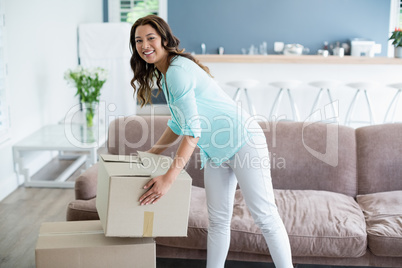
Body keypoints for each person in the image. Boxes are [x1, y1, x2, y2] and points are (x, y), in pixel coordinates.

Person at [129, 15, 293, 268]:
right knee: (217, 221)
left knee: (265, 216)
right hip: (216, 152)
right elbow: (178, 123)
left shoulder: (177, 72)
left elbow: (192, 132)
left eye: (150, 38)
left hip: (243, 140)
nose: (144, 45)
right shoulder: (166, 75)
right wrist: (152, 153)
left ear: (164, 39)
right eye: (138, 40)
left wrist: (168, 179)